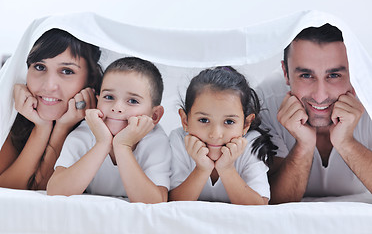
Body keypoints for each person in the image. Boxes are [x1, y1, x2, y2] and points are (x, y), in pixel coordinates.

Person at [259, 23, 372, 204]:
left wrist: (346, 143)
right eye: (306, 75)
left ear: (355, 73)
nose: (320, 96)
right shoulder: (265, 102)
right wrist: (304, 145)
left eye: (334, 75)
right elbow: (273, 203)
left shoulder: (369, 98)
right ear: (286, 73)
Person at [47, 57, 171, 204]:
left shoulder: (155, 141)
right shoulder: (84, 134)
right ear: (97, 100)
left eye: (132, 101)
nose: (117, 107)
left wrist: (122, 146)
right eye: (109, 97)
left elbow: (155, 202)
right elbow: (56, 192)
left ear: (155, 115)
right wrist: (102, 143)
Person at [0, 28, 102, 190]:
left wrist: (62, 128)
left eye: (67, 71)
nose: (49, 86)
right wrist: (41, 129)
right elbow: (7, 189)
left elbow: (46, 189)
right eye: (40, 67)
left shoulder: (103, 124)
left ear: (90, 78)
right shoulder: (10, 109)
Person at [168, 66, 277, 205]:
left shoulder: (251, 144)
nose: (215, 134)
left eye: (229, 121)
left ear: (246, 124)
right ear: (185, 120)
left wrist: (227, 169)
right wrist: (202, 169)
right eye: (204, 120)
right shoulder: (179, 140)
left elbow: (259, 206)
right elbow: (171, 204)